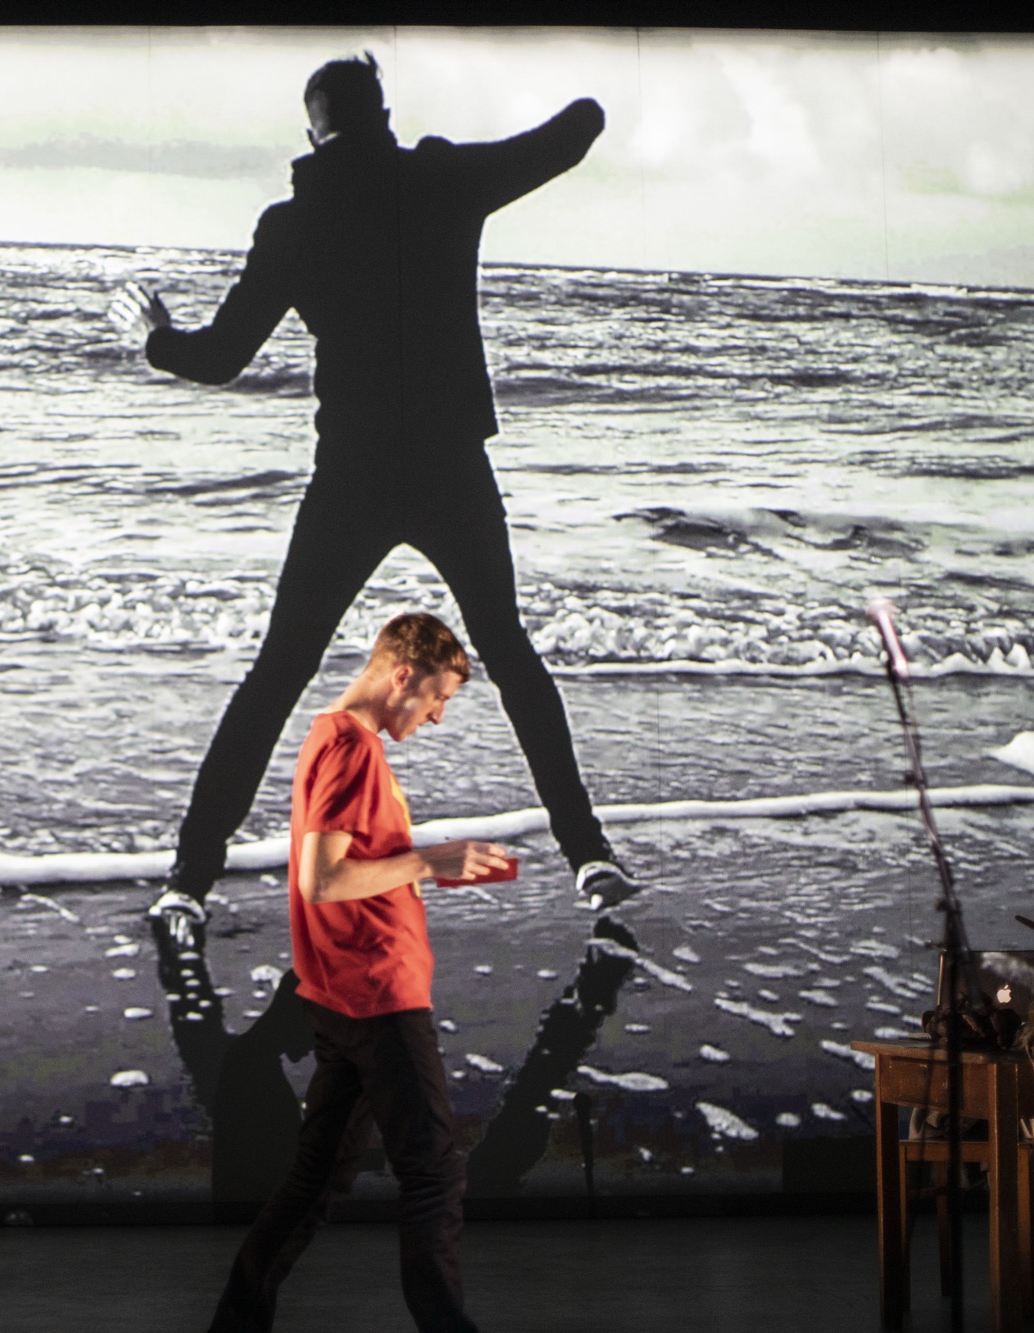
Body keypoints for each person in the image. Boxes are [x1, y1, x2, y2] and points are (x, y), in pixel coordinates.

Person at [109, 53, 635, 923]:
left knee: (278, 672)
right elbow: (573, 133)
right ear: (383, 114)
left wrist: (157, 336)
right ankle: (590, 856)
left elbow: (222, 356)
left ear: (312, 133)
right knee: (508, 653)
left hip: (352, 472)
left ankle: (187, 881)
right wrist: (576, 102)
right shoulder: (442, 180)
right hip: (449, 463)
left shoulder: (294, 223)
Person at [205, 611, 505, 1333]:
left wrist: (426, 866)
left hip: (343, 996)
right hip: (377, 996)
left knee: (315, 1181)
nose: (437, 717)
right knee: (433, 1175)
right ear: (402, 675)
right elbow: (322, 879)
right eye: (437, 698)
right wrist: (429, 861)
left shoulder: (329, 735)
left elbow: (347, 868)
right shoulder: (352, 749)